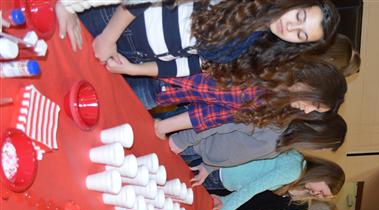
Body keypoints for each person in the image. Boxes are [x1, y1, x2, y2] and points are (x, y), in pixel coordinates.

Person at [54, 0, 339, 108]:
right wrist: (109, 36)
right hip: (112, 23)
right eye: (299, 15)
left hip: (131, 53)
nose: (291, 26)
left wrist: (135, 70)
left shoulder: (257, 44)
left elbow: (193, 63)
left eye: (300, 35)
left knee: (56, 89)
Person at [153, 59, 346, 139]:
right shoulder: (270, 61)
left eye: (314, 112)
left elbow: (213, 114)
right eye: (315, 105)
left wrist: (164, 127)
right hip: (158, 68)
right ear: (313, 83)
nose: (307, 110)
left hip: (162, 94)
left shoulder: (275, 107)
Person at [206, 151, 345, 210]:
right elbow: (252, 189)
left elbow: (254, 185)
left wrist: (224, 201)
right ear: (322, 176)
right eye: (321, 191)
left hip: (224, 176)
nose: (316, 194)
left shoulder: (298, 169)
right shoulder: (294, 172)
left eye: (321, 196)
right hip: (221, 173)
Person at [166, 114, 347, 181]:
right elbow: (221, 121)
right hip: (191, 142)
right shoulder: (276, 124)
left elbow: (241, 155)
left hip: (198, 155)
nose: (317, 151)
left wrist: (209, 167)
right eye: (321, 147)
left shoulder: (284, 145)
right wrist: (183, 140)